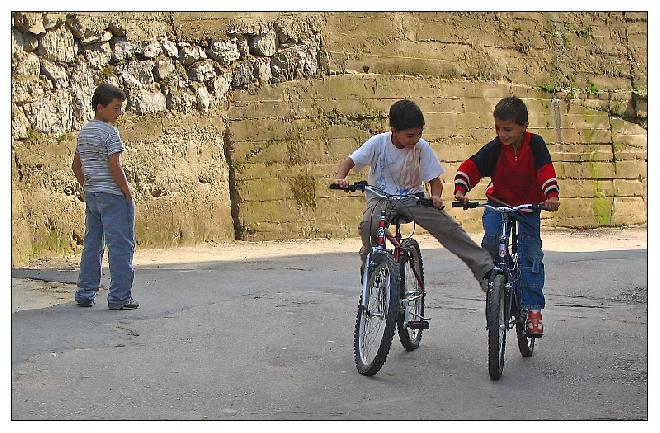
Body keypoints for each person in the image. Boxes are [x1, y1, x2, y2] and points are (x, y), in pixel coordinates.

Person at [334, 99, 494, 291]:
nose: (415, 139)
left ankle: (485, 270)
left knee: (447, 228)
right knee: (369, 225)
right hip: (381, 198)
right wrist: (340, 178)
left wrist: (435, 197)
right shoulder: (378, 143)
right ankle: (371, 262)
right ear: (393, 130)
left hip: (413, 198)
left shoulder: (421, 148)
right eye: (410, 135)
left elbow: (434, 181)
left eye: (419, 134)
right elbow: (350, 161)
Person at [453, 96, 560, 336]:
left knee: (530, 254)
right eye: (498, 129)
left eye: (508, 129)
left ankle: (533, 309)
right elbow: (473, 166)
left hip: (528, 207)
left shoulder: (535, 145)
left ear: (524, 127)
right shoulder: (495, 148)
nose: (502, 134)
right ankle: (495, 284)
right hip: (498, 204)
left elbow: (545, 171)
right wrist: (461, 189)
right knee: (491, 243)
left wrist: (550, 196)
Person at [71, 83, 139, 310]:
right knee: (121, 246)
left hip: (93, 195)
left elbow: (76, 166)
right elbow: (114, 165)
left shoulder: (84, 131)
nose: (119, 112)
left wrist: (88, 185)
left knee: (92, 244)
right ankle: (120, 297)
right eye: (116, 107)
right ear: (100, 107)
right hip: (113, 196)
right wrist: (127, 192)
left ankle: (85, 293)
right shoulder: (110, 133)